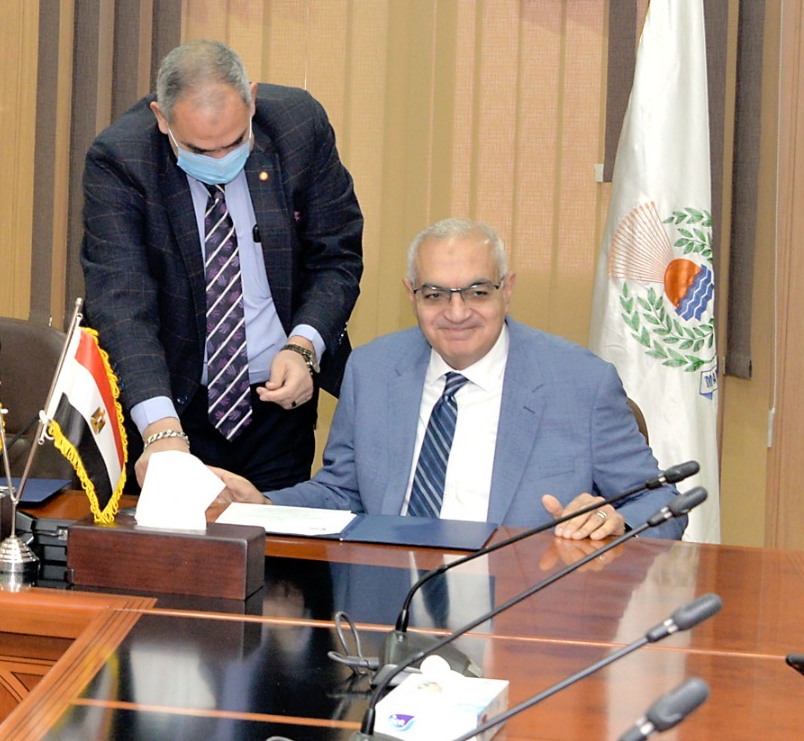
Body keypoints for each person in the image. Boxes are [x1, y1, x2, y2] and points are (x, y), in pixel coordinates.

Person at [216, 218, 687, 539]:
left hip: (521, 613)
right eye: (436, 294)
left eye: (477, 292)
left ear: (507, 289)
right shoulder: (372, 371)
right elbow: (344, 492)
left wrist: (615, 521)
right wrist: (265, 506)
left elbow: (662, 503)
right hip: (387, 606)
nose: (456, 313)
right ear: (411, 295)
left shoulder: (581, 383)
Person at [81, 41, 363, 490]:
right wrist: (161, 429)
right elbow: (121, 303)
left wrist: (304, 346)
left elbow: (336, 256)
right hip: (171, 399)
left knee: (276, 530)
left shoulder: (298, 127)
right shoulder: (121, 159)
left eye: (234, 143)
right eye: (198, 150)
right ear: (161, 118)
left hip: (278, 400)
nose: (220, 161)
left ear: (251, 98)